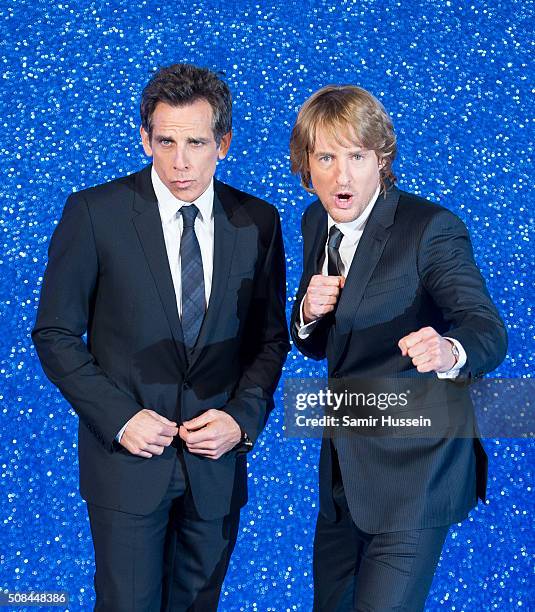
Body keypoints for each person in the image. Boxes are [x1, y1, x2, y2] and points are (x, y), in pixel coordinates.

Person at [32, 63, 290, 611]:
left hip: (215, 469)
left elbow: (270, 341)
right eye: (166, 140)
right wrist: (121, 418)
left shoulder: (259, 222)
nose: (180, 161)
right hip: (126, 467)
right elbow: (54, 333)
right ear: (144, 137)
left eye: (196, 142)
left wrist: (241, 420)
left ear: (223, 144)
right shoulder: (94, 214)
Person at [289, 85, 507, 611]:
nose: (342, 176)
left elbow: (487, 328)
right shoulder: (315, 222)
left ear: (381, 160)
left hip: (415, 473)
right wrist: (307, 316)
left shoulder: (429, 229)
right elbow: (326, 349)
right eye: (327, 157)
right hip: (344, 476)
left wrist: (449, 350)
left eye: (358, 157)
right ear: (306, 164)